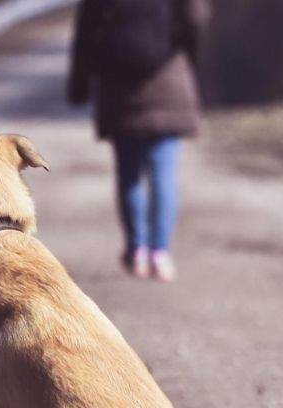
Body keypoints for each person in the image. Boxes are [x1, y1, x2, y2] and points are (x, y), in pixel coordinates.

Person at [67, 0, 211, 282]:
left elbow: (86, 33)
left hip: (118, 87)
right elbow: (197, 18)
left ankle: (137, 252)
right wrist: (188, 57)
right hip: (168, 80)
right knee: (163, 176)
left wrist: (79, 84)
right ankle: (160, 253)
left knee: (129, 175)